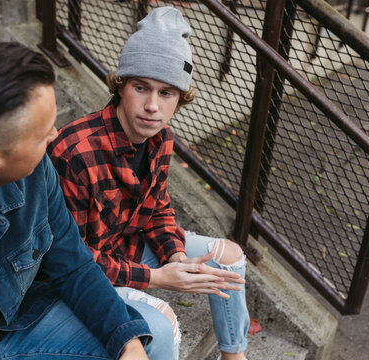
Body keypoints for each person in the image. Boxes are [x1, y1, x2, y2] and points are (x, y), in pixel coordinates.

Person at [0, 41, 153, 360]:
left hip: (20, 323)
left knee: (144, 338)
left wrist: (127, 341)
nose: (56, 135)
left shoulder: (32, 169)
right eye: (43, 132)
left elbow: (73, 264)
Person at [48, 7, 250, 360]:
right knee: (162, 323)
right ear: (121, 86)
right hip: (85, 273)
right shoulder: (74, 153)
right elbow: (69, 260)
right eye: (141, 88)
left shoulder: (161, 138)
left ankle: (233, 356)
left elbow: (157, 210)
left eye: (167, 93)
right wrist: (158, 279)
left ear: (180, 99)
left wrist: (177, 256)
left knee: (230, 258)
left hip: (124, 245)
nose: (152, 106)